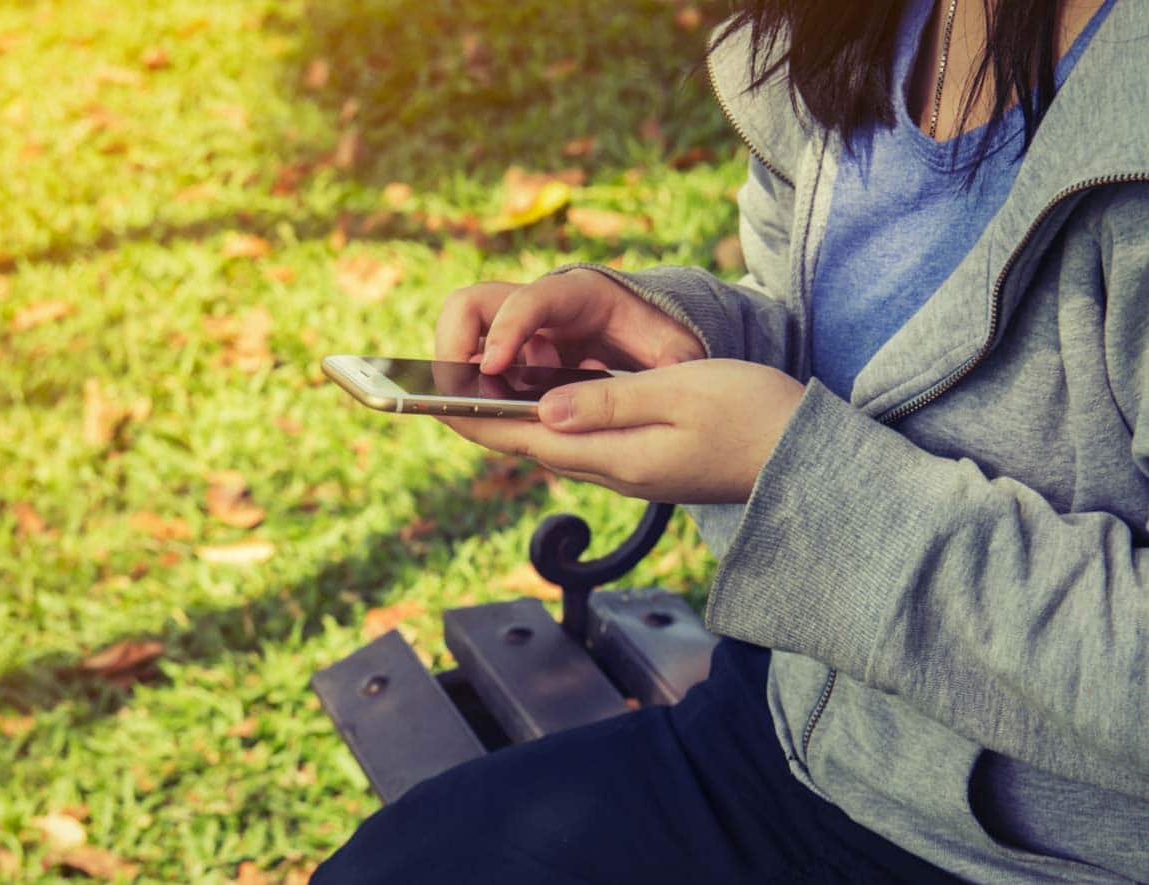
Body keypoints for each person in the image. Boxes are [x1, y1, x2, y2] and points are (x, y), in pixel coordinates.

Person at [313, 0, 1147, 880]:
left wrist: (794, 478)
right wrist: (680, 336)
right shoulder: (859, 26)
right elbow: (855, 353)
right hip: (802, 733)